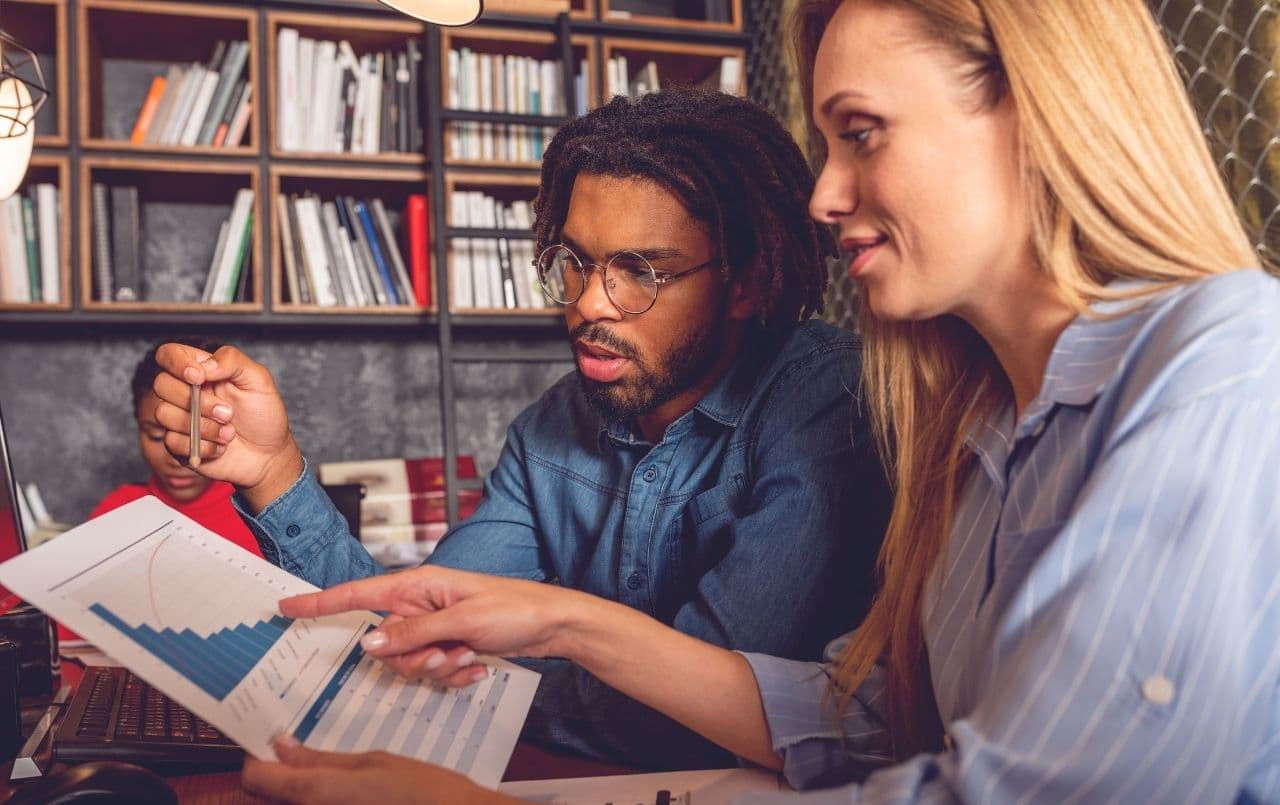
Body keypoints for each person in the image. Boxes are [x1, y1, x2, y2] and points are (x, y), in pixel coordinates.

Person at [235, 0, 1280, 802]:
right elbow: (877, 722)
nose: (825, 196)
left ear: (1038, 115)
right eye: (827, 144)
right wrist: (567, 621)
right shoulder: (977, 424)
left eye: (861, 132)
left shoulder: (1221, 367)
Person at [150, 88, 891, 768]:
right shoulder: (551, 428)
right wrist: (274, 468)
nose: (590, 303)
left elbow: (700, 716)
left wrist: (499, 675)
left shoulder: (829, 404)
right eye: (574, 261)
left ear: (746, 283)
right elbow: (414, 626)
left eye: (641, 270)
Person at [58, 340, 264, 642]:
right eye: (156, 435)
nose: (176, 456)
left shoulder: (263, 514)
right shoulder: (116, 512)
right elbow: (68, 630)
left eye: (193, 435)